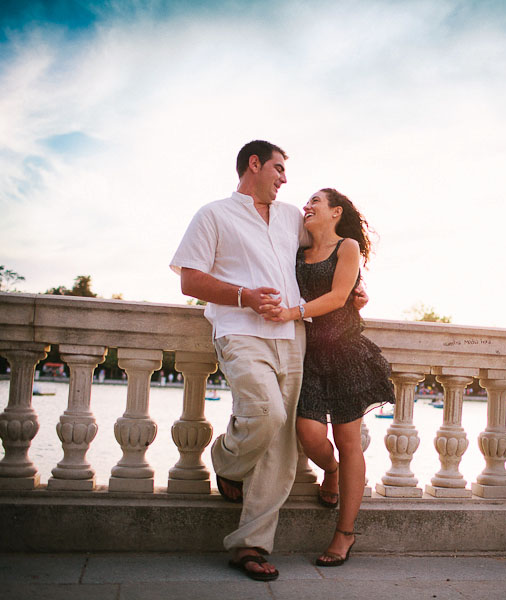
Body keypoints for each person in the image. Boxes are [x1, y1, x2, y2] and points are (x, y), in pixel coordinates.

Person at [169, 141, 366, 581]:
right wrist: (244, 297)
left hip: (293, 336)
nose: (284, 179)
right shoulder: (213, 214)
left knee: (281, 442)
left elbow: (328, 247)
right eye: (278, 168)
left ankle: (250, 545)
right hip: (240, 332)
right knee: (266, 413)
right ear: (253, 165)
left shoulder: (292, 216)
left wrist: (353, 289)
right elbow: (189, 278)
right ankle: (227, 462)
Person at [267, 188, 395, 567]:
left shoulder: (347, 246)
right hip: (308, 354)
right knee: (308, 433)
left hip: (344, 353)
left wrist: (293, 312)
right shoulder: (297, 253)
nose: (307, 206)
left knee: (348, 439)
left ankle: (345, 533)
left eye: (315, 202)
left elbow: (340, 296)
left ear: (335, 211)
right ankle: (332, 471)